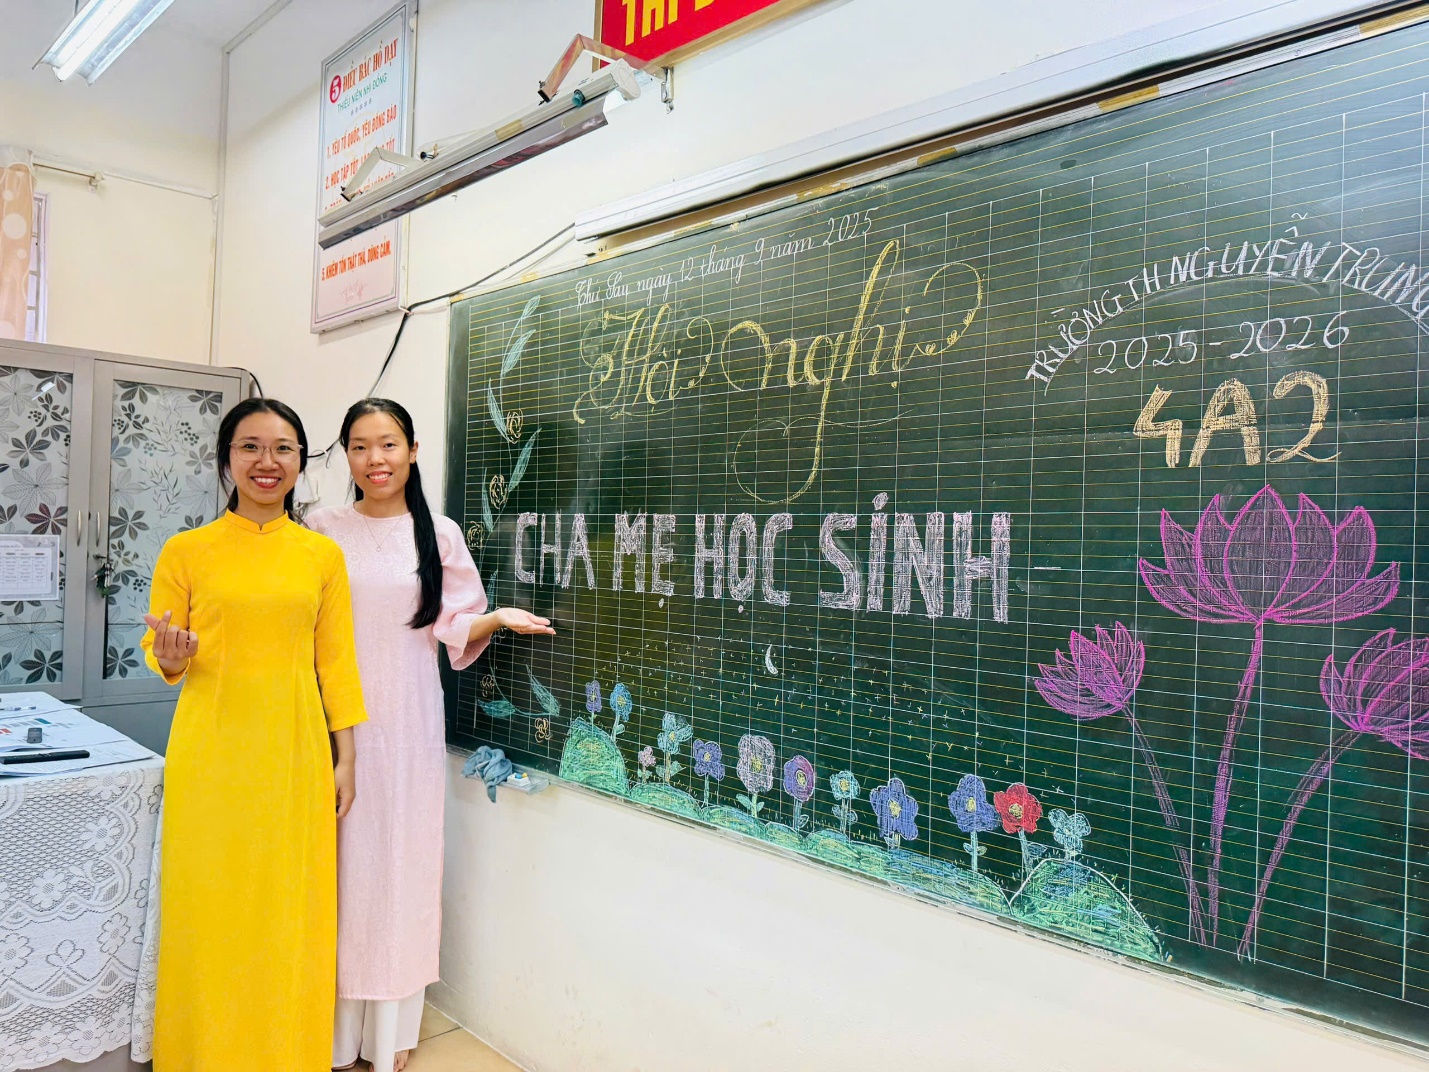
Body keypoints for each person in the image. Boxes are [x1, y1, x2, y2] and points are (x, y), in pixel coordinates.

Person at [307, 398, 553, 1072]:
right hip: (329, 720)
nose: (374, 460)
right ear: (346, 456)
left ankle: (386, 1035)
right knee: (331, 868)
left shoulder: (435, 532)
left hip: (408, 725)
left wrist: (496, 617)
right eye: (358, 446)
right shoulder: (319, 528)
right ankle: (324, 1030)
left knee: (397, 865)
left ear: (412, 450)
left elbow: (452, 625)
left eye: (387, 444)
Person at [142, 396, 368, 1070]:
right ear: (226, 460)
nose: (267, 462)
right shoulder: (187, 551)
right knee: (208, 909)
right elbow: (161, 653)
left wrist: (346, 756)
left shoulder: (321, 556)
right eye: (250, 447)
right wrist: (175, 654)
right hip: (210, 754)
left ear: (301, 462)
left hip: (295, 754)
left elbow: (337, 662)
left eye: (283, 449)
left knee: (286, 911)